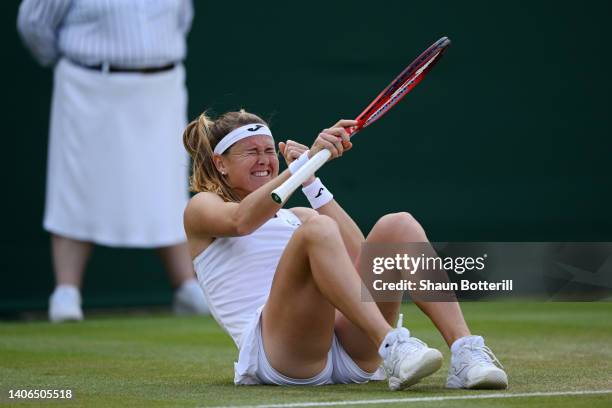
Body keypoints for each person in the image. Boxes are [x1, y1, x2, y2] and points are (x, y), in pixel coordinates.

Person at [182, 109, 508, 389]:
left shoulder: (299, 217)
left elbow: (366, 260)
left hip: (350, 351)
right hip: (283, 355)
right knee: (319, 229)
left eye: (269, 150)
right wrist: (300, 167)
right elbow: (242, 221)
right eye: (250, 152)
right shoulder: (202, 208)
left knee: (399, 225)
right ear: (220, 164)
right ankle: (393, 344)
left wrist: (310, 180)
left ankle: (465, 352)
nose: (265, 160)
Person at [17, 0, 209, 322]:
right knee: (77, 183)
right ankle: (66, 292)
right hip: (88, 86)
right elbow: (34, 25)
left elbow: (181, 18)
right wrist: (82, 63)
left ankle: (187, 287)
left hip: (161, 86)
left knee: (165, 184)